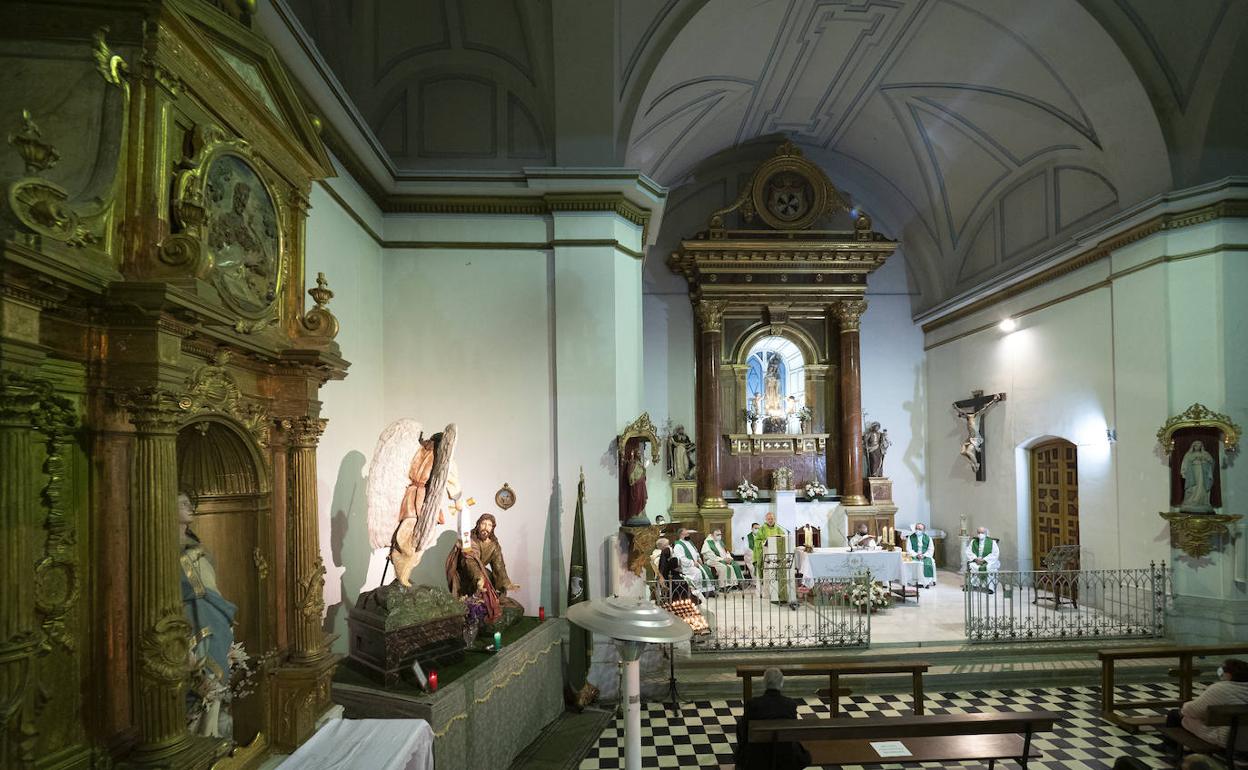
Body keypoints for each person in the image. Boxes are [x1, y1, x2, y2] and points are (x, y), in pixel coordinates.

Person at [179, 493, 238, 738]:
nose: (190, 507)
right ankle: (201, 735)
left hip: (214, 612)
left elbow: (209, 584)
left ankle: (216, 734)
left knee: (216, 678)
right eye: (182, 504)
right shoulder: (167, 548)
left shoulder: (195, 544)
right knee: (202, 679)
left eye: (190, 503)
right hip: (191, 617)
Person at [445, 513, 523, 625]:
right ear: (478, 525)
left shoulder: (493, 545)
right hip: (464, 574)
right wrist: (479, 578)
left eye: (489, 525)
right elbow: (470, 561)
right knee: (483, 580)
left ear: (493, 528)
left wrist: (507, 583)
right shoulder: (469, 540)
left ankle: (487, 606)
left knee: (491, 581)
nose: (486, 528)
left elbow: (499, 566)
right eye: (483, 524)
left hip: (481, 574)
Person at [734, 668, 812, 770]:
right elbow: (791, 734)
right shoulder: (790, 705)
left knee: (740, 724)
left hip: (757, 756)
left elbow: (744, 730)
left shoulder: (754, 704)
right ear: (781, 683)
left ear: (764, 683)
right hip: (785, 755)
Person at [1166, 659, 1248, 753]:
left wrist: (1185, 708)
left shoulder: (1221, 689)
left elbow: (1193, 710)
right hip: (1243, 736)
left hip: (1228, 739)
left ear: (1229, 675)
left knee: (1176, 715)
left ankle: (1172, 750)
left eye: (1222, 671)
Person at [673, 529, 717, 598]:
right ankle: (699, 592)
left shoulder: (690, 542)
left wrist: (699, 558)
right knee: (698, 572)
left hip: (696, 563)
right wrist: (692, 563)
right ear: (681, 535)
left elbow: (696, 552)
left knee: (707, 569)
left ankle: (709, 590)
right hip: (686, 567)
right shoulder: (678, 546)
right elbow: (681, 559)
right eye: (686, 534)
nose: (688, 535)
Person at [1179, 439, 1216, 512]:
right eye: (1195, 444)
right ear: (1193, 446)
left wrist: (1204, 460)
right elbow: (1185, 464)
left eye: (1199, 444)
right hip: (1192, 473)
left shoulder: (1205, 454)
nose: (1197, 446)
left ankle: (1202, 502)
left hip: (1202, 473)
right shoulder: (1188, 454)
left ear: (1201, 446)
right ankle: (1191, 502)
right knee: (1192, 487)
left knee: (1201, 486)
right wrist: (1184, 472)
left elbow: (1211, 462)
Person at [964, 527, 1000, 593]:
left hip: (988, 561)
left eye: (982, 533)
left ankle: (990, 588)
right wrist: (975, 559)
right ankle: (969, 585)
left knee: (988, 567)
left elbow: (995, 553)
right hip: (976, 560)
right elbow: (968, 551)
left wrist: (984, 560)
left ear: (985, 533)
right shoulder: (973, 541)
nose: (980, 534)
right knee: (972, 566)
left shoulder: (992, 542)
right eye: (979, 532)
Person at [905, 522, 936, 588]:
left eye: (919, 529)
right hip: (914, 555)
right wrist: (916, 555)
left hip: (925, 555)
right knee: (918, 563)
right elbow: (909, 549)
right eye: (916, 528)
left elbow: (931, 549)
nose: (917, 530)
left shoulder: (928, 538)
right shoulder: (910, 537)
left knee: (928, 562)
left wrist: (924, 555)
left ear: (923, 530)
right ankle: (917, 581)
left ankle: (926, 582)